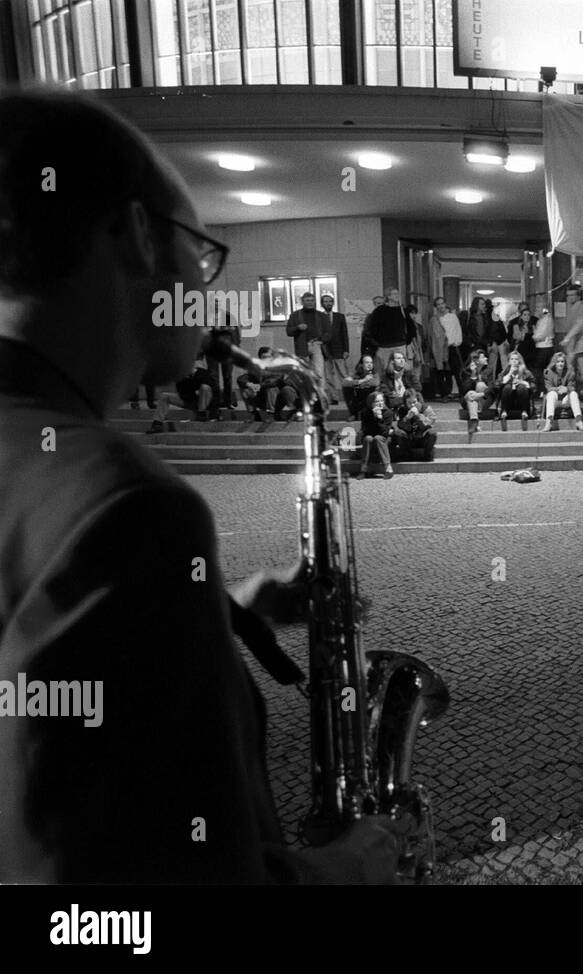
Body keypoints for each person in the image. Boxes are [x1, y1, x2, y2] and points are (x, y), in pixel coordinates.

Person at [0, 89, 402, 883]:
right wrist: (344, 869)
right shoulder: (130, 506)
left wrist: (221, 615)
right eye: (201, 250)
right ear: (138, 236)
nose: (208, 283)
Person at [363, 287, 416, 373]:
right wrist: (377, 342)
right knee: (384, 371)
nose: (397, 296)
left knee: (400, 371)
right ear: (388, 296)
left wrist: (406, 340)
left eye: (397, 294)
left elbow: (411, 327)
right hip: (384, 347)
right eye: (394, 294)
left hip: (400, 345)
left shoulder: (402, 310)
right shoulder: (379, 311)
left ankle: (399, 386)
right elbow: (372, 328)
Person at [204, 310, 242, 415]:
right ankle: (215, 404)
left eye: (218, 301)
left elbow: (236, 333)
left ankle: (228, 401)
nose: (216, 303)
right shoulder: (206, 317)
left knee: (227, 376)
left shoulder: (229, 316)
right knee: (213, 378)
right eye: (214, 301)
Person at [540, 349, 583, 432]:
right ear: (554, 362)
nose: (560, 364)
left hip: (566, 399)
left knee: (573, 394)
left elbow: (572, 386)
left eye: (562, 361)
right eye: (558, 362)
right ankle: (549, 422)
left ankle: (579, 421)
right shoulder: (548, 372)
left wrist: (566, 389)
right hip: (555, 400)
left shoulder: (570, 372)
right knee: (551, 394)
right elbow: (548, 387)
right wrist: (559, 389)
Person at [285, 291, 326, 379]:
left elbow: (328, 332)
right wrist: (297, 328)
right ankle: (307, 392)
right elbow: (288, 332)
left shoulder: (321, 315)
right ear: (302, 302)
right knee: (304, 372)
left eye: (312, 300)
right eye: (307, 300)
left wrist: (321, 340)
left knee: (319, 372)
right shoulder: (295, 315)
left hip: (316, 344)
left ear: (315, 302)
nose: (310, 302)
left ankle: (319, 391)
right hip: (302, 345)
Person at [318, 293, 349, 406]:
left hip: (339, 349)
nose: (328, 303)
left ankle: (348, 395)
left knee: (344, 374)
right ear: (322, 304)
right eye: (325, 301)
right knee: (329, 375)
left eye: (330, 301)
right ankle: (333, 397)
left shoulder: (339, 316)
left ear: (333, 303)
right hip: (325, 350)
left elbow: (344, 334)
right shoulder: (319, 317)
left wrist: (346, 350)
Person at [390, 389, 437, 462]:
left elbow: (430, 423)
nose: (412, 405)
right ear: (405, 402)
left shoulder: (426, 409)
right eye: (409, 403)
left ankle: (427, 455)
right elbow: (397, 426)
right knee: (398, 433)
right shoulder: (401, 410)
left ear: (418, 401)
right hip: (408, 439)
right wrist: (407, 418)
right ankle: (407, 455)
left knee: (432, 433)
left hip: (422, 438)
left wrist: (418, 416)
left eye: (414, 402)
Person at [493, 350, 536, 431]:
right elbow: (497, 385)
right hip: (508, 400)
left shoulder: (526, 372)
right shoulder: (504, 372)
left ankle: (524, 411)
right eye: (512, 359)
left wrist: (522, 382)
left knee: (521, 387)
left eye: (516, 359)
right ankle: (504, 411)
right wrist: (509, 374)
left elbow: (534, 387)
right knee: (507, 387)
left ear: (519, 361)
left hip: (522, 400)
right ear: (509, 361)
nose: (514, 361)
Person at [357, 390, 395, 479]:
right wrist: (373, 417)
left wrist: (380, 419)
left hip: (384, 438)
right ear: (371, 403)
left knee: (378, 438)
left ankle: (388, 469)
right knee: (368, 438)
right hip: (370, 437)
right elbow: (365, 430)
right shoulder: (365, 412)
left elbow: (385, 432)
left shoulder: (388, 412)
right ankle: (363, 469)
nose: (380, 403)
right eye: (377, 401)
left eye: (381, 401)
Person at [432, 296, 463, 400]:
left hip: (452, 347)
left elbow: (458, 330)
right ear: (436, 307)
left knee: (457, 371)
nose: (441, 306)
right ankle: (444, 394)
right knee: (441, 372)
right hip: (440, 349)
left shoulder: (452, 317)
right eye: (438, 304)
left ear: (445, 304)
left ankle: (462, 393)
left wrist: (457, 342)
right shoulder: (435, 319)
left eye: (442, 303)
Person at [461, 348, 496, 434]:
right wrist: (473, 375)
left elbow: (492, 387)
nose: (486, 359)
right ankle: (474, 419)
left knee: (480, 386)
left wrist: (481, 394)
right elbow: (465, 390)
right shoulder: (465, 372)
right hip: (468, 401)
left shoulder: (489, 371)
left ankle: (474, 417)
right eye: (483, 357)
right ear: (476, 360)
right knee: (470, 393)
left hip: (485, 399)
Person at [341, 354, 378, 419]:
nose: (369, 364)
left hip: (371, 400)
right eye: (367, 362)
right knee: (347, 389)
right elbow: (344, 383)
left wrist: (355, 384)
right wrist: (363, 380)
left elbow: (374, 383)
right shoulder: (356, 374)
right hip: (359, 399)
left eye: (371, 362)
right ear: (361, 364)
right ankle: (353, 414)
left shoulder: (375, 374)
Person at [531, 300, 556, 377]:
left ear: (544, 309)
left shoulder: (547, 319)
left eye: (538, 307)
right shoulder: (541, 319)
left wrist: (533, 337)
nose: (536, 309)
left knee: (539, 371)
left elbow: (540, 336)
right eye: (536, 307)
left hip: (544, 348)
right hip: (541, 348)